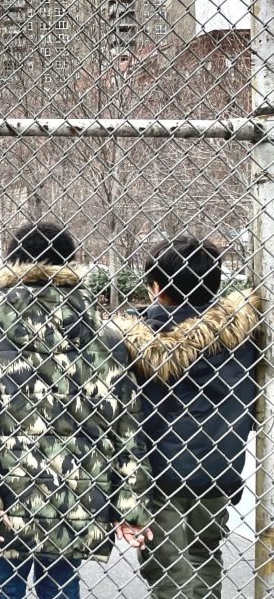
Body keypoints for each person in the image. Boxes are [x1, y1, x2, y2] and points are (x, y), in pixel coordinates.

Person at [0, 222, 152, 599]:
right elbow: (126, 426)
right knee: (61, 586)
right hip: (78, 493)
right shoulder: (104, 335)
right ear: (70, 263)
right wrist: (130, 504)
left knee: (4, 586)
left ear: (12, 264)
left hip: (11, 493)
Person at [109, 237, 259, 599]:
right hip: (219, 470)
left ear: (156, 288)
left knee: (167, 570)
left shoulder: (135, 339)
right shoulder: (243, 335)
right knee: (205, 554)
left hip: (160, 474)